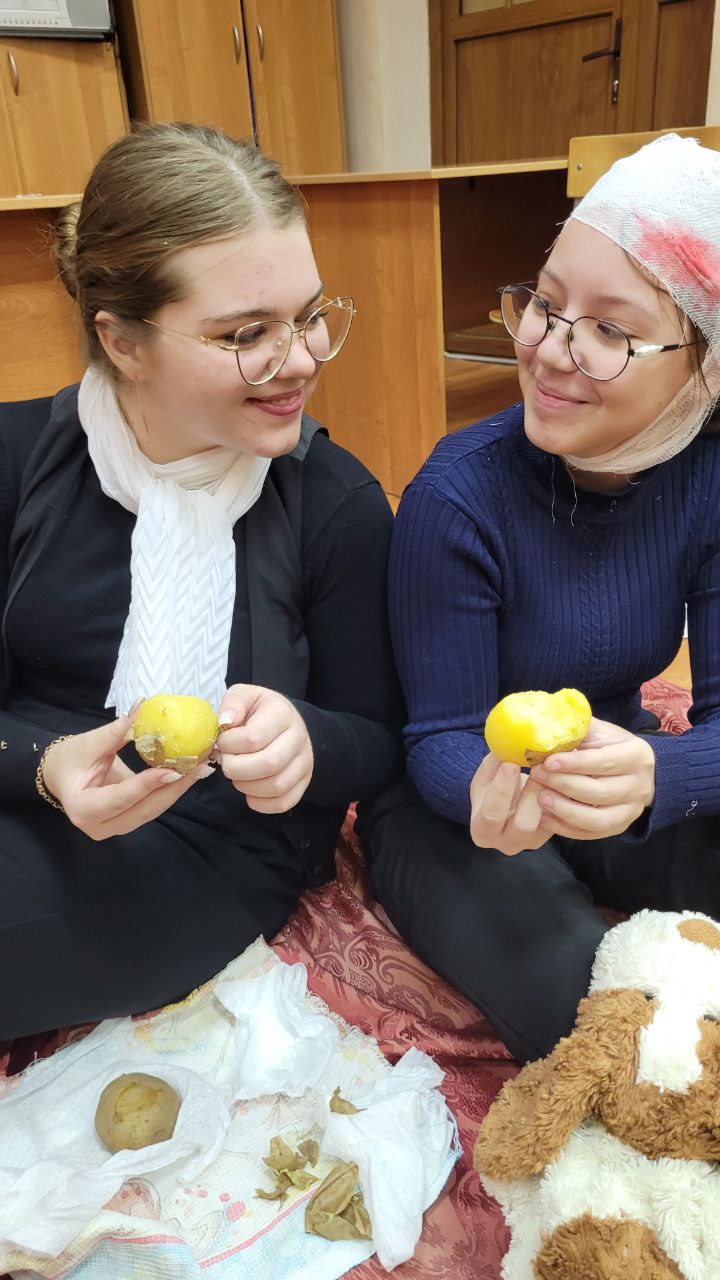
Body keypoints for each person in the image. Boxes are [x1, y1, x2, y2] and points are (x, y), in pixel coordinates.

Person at [0, 123, 404, 1040]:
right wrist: (46, 767)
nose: (300, 360)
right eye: (245, 334)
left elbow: (381, 741)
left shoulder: (331, 502)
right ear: (122, 341)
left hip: (204, 850)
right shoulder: (19, 461)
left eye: (309, 316)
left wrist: (307, 742)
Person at [358, 133, 720, 1063]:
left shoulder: (709, 482)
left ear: (707, 367)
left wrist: (658, 774)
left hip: (611, 773)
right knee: (589, 1008)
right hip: (456, 811)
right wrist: (508, 792)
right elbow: (439, 735)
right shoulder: (458, 494)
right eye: (546, 306)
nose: (552, 351)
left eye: (611, 331)